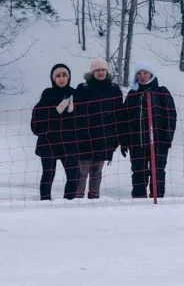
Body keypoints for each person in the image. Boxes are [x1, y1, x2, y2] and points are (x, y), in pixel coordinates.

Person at [72, 57, 126, 199]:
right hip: (84, 137)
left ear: (107, 71)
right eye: (97, 70)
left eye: (103, 70)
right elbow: (75, 114)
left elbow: (119, 114)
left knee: (97, 171)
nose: (101, 72)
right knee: (82, 171)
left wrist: (115, 138)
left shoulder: (114, 89)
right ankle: (77, 199)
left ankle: (94, 198)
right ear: (92, 72)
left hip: (104, 137)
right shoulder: (83, 88)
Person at [122, 61, 177, 198]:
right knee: (138, 173)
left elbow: (171, 115)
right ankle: (139, 202)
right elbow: (124, 119)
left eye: (145, 73)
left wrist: (167, 137)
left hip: (159, 142)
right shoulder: (132, 94)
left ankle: (157, 200)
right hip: (137, 142)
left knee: (157, 172)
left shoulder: (161, 92)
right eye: (139, 73)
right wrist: (124, 141)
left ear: (151, 74)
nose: (142, 76)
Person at [30, 63, 78, 200]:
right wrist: (55, 111)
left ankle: (69, 202)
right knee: (48, 173)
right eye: (58, 76)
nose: (61, 79)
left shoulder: (75, 93)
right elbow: (36, 121)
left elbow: (82, 120)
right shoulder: (47, 94)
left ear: (69, 78)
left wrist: (73, 111)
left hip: (69, 143)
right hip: (49, 143)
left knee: (74, 174)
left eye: (64, 75)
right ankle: (45, 202)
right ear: (53, 78)